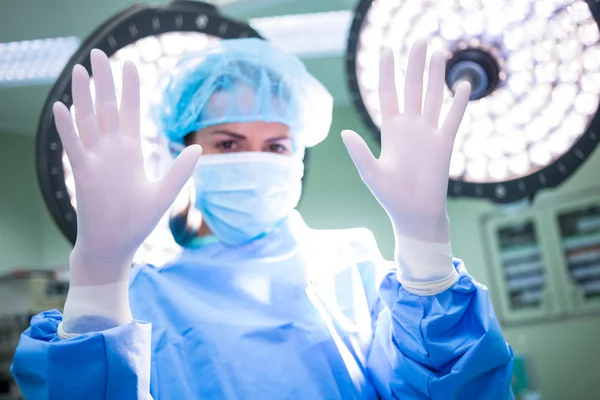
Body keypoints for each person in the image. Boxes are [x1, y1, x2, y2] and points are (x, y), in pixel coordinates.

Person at [11, 38, 514, 399]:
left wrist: (425, 245)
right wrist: (99, 275)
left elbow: (455, 390)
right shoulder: (138, 303)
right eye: (228, 143)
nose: (255, 160)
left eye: (276, 145)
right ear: (178, 151)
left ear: (297, 156)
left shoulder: (356, 271)